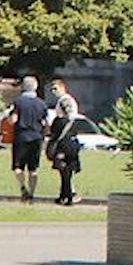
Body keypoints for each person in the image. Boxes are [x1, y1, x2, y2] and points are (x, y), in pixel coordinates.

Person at [10, 75, 50, 203]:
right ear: (36, 87)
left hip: (21, 137)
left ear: (23, 87)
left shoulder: (18, 102)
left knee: (18, 167)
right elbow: (46, 123)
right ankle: (32, 193)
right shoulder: (42, 104)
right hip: (36, 137)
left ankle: (23, 188)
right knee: (33, 169)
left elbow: (13, 120)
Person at [46, 78, 82, 206]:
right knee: (65, 170)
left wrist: (59, 137)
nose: (53, 91)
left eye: (56, 88)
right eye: (52, 89)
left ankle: (68, 195)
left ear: (63, 87)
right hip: (68, 139)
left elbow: (69, 118)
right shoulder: (62, 101)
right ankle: (65, 194)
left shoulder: (65, 100)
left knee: (65, 168)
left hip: (66, 141)